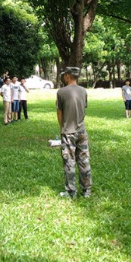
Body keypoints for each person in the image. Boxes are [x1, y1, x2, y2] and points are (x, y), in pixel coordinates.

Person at [57, 67, 92, 198]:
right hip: (82, 130)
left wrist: (62, 128)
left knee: (69, 161)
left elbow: (60, 112)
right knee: (84, 161)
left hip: (68, 132)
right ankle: (86, 191)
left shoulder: (61, 92)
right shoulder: (83, 91)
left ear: (67, 76)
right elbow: (83, 109)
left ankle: (71, 192)